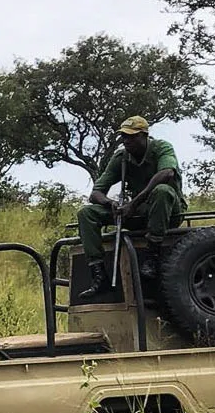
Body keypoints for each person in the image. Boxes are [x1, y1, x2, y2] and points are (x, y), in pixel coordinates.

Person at [77, 115, 186, 296]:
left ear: (144, 135)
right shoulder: (121, 157)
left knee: (162, 191)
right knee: (86, 213)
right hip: (138, 213)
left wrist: (134, 204)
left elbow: (167, 173)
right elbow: (95, 193)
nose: (126, 141)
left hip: (167, 212)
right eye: (124, 136)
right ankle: (98, 274)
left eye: (132, 136)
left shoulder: (162, 148)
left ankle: (152, 256)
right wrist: (110, 203)